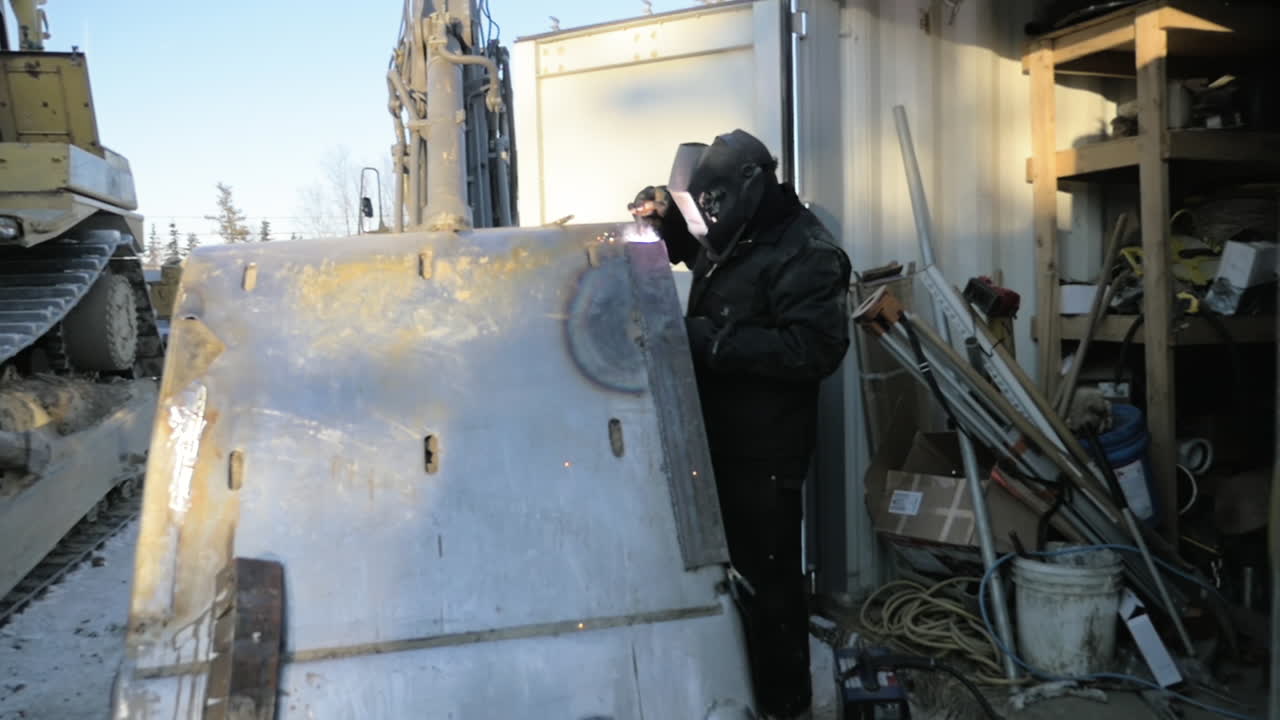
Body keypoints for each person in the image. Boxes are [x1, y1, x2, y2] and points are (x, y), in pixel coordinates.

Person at [629, 129, 851, 720]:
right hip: (716, 438)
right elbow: (699, 249)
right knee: (724, 579)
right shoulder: (735, 227)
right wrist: (664, 220)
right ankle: (734, 689)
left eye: (708, 208)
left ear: (750, 185)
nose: (706, 224)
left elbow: (816, 349)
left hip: (766, 452)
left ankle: (785, 704)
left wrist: (713, 343)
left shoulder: (806, 250)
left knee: (769, 584)